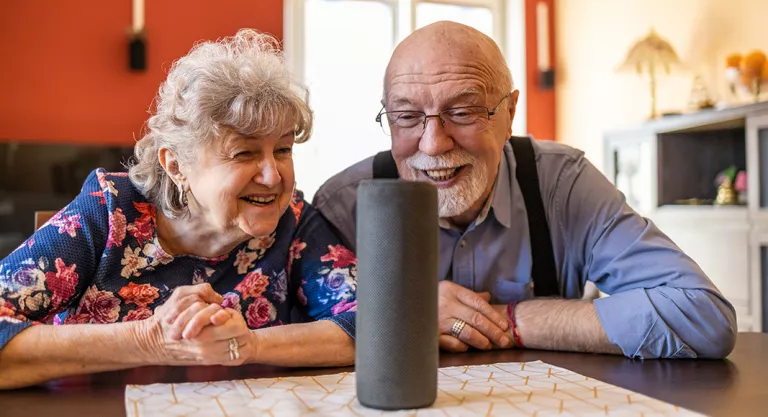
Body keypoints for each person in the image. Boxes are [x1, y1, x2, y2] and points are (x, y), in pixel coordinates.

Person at [313, 21, 737, 359]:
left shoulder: (562, 185)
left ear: (510, 112)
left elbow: (702, 316)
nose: (432, 143)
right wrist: (410, 310)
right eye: (406, 117)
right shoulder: (344, 206)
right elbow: (298, 334)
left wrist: (509, 320)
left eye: (462, 112)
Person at [0, 29, 357, 390]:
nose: (272, 176)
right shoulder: (111, 212)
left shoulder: (292, 221)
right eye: (244, 153)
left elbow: (374, 325)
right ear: (176, 166)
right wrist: (151, 339)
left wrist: (246, 344)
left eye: (283, 150)